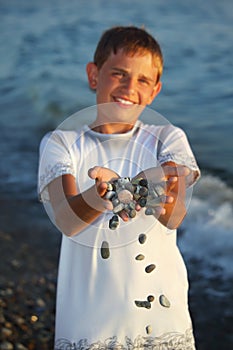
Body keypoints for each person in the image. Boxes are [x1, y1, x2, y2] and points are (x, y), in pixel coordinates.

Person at [38, 26, 200, 349]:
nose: (129, 87)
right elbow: (67, 218)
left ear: (155, 91)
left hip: (161, 321)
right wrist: (101, 194)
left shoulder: (167, 138)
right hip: (90, 325)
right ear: (93, 75)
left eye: (143, 80)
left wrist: (124, 187)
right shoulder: (62, 143)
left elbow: (172, 213)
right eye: (119, 74)